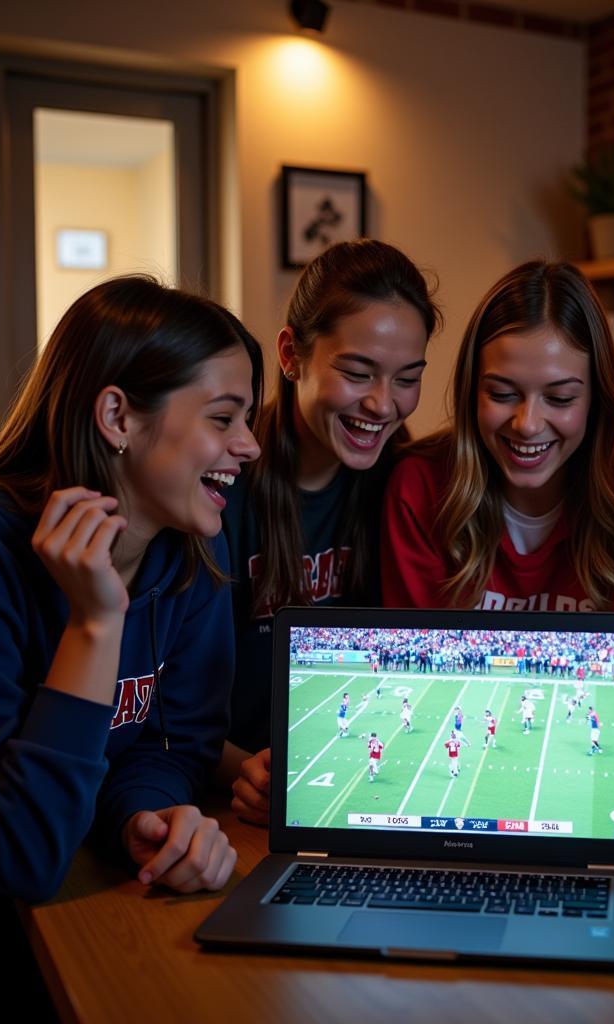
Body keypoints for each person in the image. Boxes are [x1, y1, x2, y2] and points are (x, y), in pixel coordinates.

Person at [0, 277, 263, 1001]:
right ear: (117, 415)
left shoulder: (189, 558)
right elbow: (11, 855)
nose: (250, 445)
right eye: (224, 417)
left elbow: (173, 746)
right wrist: (94, 623)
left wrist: (143, 818)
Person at [227, 240, 440, 824]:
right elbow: (172, 698)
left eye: (407, 378)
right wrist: (238, 770)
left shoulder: (408, 486)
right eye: (356, 372)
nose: (381, 403)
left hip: (357, 796)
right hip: (231, 800)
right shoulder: (220, 488)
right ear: (291, 354)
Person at [381, 260, 614, 611]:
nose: (527, 424)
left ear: (596, 400)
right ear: (471, 393)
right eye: (502, 394)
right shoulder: (419, 490)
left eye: (560, 398)